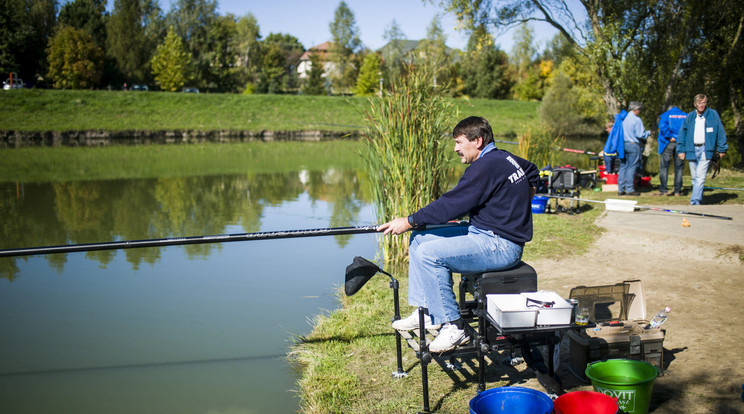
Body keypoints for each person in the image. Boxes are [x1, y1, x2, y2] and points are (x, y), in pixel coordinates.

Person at [377, 116, 539, 353]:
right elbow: (532, 172)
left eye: (459, 142)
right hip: (483, 232)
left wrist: (409, 220)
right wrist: (517, 203)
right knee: (420, 238)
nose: (455, 148)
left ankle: (454, 326)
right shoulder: (504, 157)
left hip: (501, 245)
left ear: (478, 141)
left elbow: (451, 205)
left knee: (430, 254)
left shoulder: (485, 166)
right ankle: (428, 312)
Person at [676, 94, 728, 205]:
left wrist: (722, 149)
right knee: (695, 177)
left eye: (704, 102)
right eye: (699, 103)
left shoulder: (713, 115)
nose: (702, 105)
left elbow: (720, 132)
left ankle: (694, 201)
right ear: (695, 104)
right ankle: (699, 198)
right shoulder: (690, 116)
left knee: (700, 176)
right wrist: (680, 150)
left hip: (706, 149)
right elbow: (682, 134)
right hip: (692, 149)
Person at [618, 102, 650, 196]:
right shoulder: (636, 120)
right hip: (633, 144)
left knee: (623, 166)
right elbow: (640, 135)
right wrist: (648, 133)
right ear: (636, 110)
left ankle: (620, 189)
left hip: (623, 145)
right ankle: (629, 189)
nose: (640, 112)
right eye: (639, 110)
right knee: (631, 167)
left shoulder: (624, 118)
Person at [656, 105, 687, 196]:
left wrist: (669, 136)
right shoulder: (685, 116)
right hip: (680, 143)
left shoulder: (666, 115)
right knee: (679, 168)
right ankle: (677, 191)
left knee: (664, 167)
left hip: (668, 142)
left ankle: (663, 190)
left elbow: (662, 126)